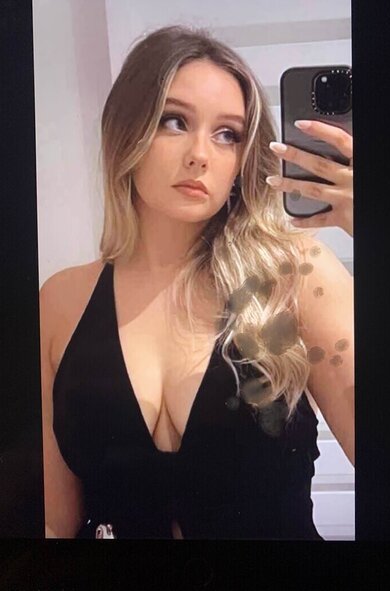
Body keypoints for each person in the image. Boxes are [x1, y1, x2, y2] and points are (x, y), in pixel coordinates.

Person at [40, 25, 354, 540]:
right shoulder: (60, 301)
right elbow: (55, 522)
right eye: (174, 121)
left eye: (228, 134)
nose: (200, 154)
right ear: (126, 131)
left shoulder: (295, 276)